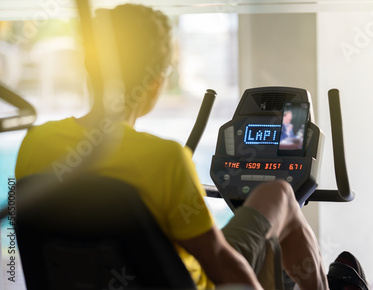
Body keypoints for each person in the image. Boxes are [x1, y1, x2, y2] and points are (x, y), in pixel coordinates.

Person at [15, 4, 332, 289]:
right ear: (155, 82)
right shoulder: (164, 159)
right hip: (192, 282)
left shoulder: (35, 143)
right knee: (280, 195)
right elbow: (221, 265)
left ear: (89, 68)